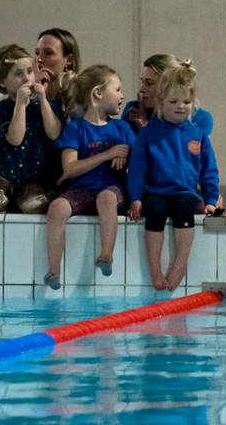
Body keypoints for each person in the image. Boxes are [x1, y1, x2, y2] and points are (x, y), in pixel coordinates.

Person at [127, 62, 220, 291]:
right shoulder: (149, 133)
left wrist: (210, 200)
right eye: (173, 102)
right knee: (155, 214)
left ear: (193, 103)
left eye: (186, 102)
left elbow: (210, 170)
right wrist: (135, 197)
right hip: (156, 191)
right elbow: (137, 168)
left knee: (184, 212)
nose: (181, 107)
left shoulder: (198, 134)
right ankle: (156, 271)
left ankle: (179, 265)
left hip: (185, 193)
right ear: (160, 103)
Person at [42, 65, 136, 289]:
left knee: (106, 198)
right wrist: (108, 154)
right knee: (57, 208)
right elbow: (70, 169)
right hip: (82, 190)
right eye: (118, 89)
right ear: (98, 93)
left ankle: (106, 255)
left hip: (112, 190)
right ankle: (53, 270)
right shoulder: (75, 128)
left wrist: (125, 152)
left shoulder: (122, 128)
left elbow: (140, 156)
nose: (123, 96)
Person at [0, 43, 62, 214]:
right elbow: (15, 139)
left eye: (30, 71)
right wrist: (20, 105)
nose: (27, 78)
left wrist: (43, 100)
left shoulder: (47, 106)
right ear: (2, 82)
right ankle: (2, 199)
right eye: (18, 74)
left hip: (34, 177)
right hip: (2, 173)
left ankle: (44, 196)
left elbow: (55, 134)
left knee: (33, 203)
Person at [122, 53, 214, 136]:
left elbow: (180, 152)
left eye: (149, 83)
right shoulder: (134, 110)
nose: (141, 90)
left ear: (169, 86)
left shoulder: (200, 119)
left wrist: (145, 127)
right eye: (142, 82)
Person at [34, 28, 79, 186]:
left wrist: (42, 97)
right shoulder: (29, 90)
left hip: (64, 174)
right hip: (31, 172)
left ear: (69, 60)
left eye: (48, 53)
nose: (39, 59)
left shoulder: (78, 93)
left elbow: (60, 136)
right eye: (37, 53)